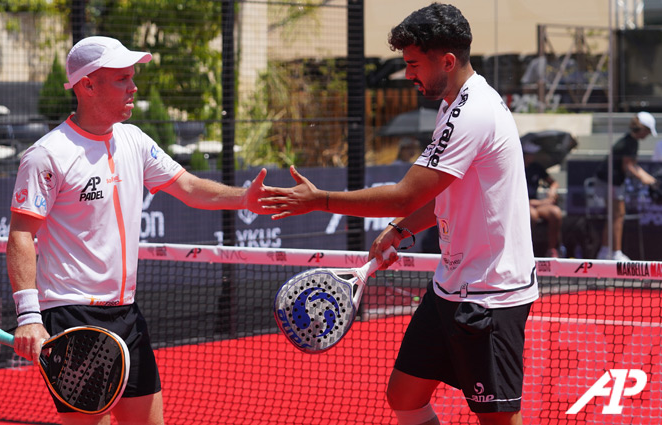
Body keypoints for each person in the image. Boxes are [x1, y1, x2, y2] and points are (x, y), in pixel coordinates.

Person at [261, 4, 536, 425]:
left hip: (490, 295)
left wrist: (321, 200)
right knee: (404, 396)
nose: (408, 74)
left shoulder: (473, 112)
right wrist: (401, 229)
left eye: (413, 64)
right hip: (450, 287)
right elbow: (437, 198)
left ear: (447, 61)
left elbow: (404, 195)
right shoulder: (452, 104)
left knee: (497, 421)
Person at [6, 36, 270, 425]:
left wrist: (245, 198)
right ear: (87, 85)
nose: (133, 87)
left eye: (132, 77)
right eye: (122, 79)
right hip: (73, 315)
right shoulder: (48, 154)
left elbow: (188, 186)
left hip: (128, 313)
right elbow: (21, 235)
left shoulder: (134, 140)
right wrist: (28, 315)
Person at [593, 111, 658, 261]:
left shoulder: (629, 141)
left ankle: (604, 252)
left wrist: (648, 178)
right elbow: (628, 167)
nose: (647, 135)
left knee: (613, 216)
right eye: (647, 131)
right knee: (618, 215)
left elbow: (632, 166)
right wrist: (646, 179)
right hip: (610, 182)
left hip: (607, 181)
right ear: (642, 129)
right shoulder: (630, 143)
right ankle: (615, 253)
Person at [523, 140, 563, 258]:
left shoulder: (536, 167)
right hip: (522, 204)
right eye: (530, 153)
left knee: (555, 213)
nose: (533, 156)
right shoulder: (515, 167)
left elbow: (553, 182)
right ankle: (527, 251)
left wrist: (552, 191)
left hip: (535, 203)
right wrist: (537, 202)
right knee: (532, 216)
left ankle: (552, 249)